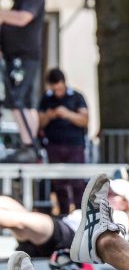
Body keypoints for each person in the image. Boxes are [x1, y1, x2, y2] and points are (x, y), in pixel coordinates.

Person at [0, 178, 129, 261]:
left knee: (16, 220)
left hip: (67, 238)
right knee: (6, 203)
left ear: (125, 203)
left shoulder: (121, 217)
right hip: (60, 229)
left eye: (112, 194)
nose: (106, 195)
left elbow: (108, 242)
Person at [0, 0, 45, 162]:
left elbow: (22, 19)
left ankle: (29, 145)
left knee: (18, 100)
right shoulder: (19, 0)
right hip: (15, 57)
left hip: (23, 57)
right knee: (23, 101)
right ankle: (28, 143)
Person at [38, 68, 89, 214]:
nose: (58, 92)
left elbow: (84, 120)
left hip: (75, 146)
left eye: (60, 89)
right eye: (55, 89)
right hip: (54, 146)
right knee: (60, 184)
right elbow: (39, 122)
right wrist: (50, 115)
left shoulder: (77, 97)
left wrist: (66, 114)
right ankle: (64, 214)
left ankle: (81, 213)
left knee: (77, 182)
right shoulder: (46, 99)